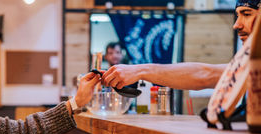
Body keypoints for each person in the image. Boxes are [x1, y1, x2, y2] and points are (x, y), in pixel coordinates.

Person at [102, 0, 260, 90]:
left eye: (246, 14)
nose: (236, 25)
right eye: (237, 16)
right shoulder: (251, 61)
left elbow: (206, 75)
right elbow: (205, 74)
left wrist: (141, 70)